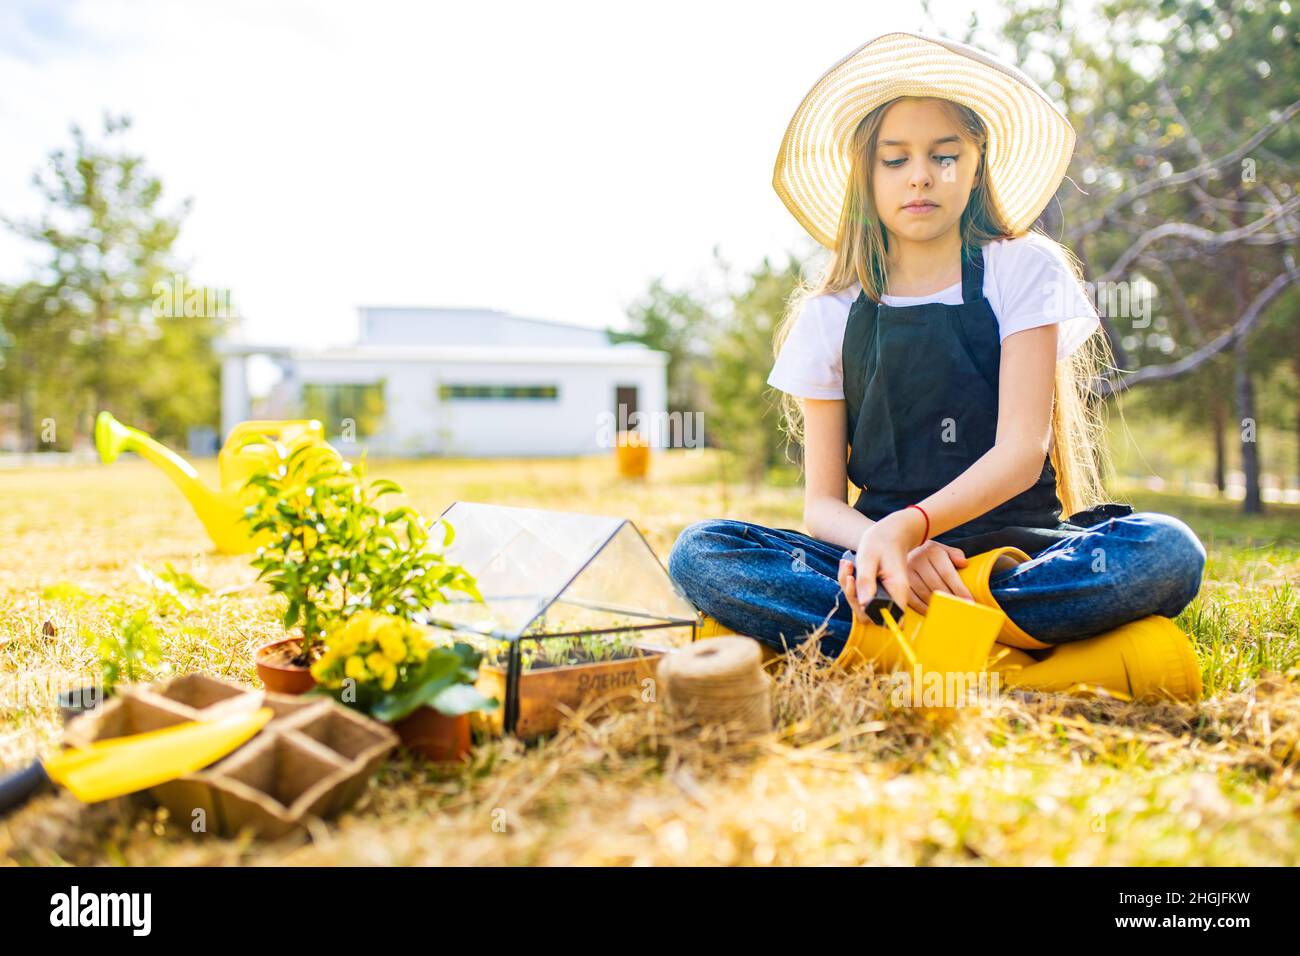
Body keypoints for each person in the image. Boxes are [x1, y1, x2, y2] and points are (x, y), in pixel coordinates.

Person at [668, 32, 1206, 660]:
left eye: (943, 155)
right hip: (876, 560)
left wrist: (914, 526)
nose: (920, 175)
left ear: (976, 162)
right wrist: (889, 546)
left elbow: (1020, 452)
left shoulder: (1022, 267)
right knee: (702, 551)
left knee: (1165, 551)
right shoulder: (828, 312)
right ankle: (986, 636)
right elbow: (821, 505)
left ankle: (891, 640)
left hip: (1016, 554)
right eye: (894, 159)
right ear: (865, 176)